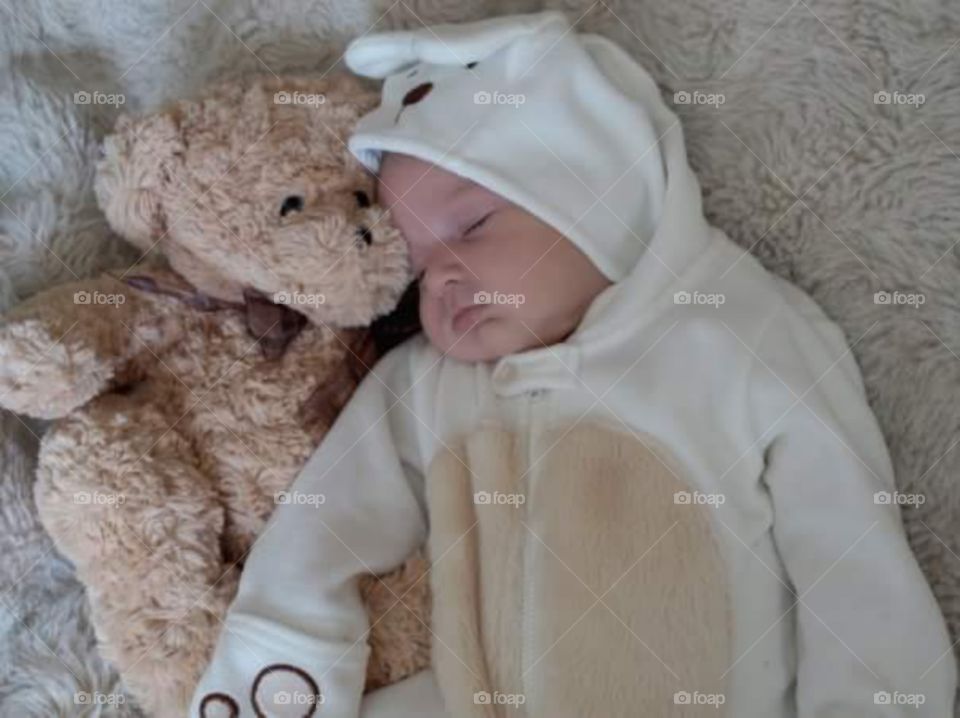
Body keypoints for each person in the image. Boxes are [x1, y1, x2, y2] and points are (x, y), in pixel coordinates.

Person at [190, 10, 956, 717]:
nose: (445, 278)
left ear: (601, 191)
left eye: (476, 225)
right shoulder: (429, 385)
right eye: (419, 269)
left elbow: (851, 559)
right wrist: (276, 677)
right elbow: (321, 535)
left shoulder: (738, 335)